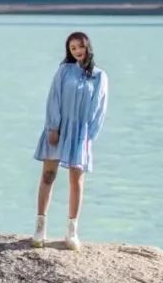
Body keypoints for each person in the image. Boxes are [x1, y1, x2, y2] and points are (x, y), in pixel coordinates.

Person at [31, 31, 108, 250]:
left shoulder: (100, 76)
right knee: (48, 175)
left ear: (88, 47)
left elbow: (99, 109)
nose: (77, 51)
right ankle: (40, 227)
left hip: (80, 134)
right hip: (59, 129)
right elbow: (53, 98)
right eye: (72, 48)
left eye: (80, 47)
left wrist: (89, 136)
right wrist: (53, 127)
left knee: (76, 179)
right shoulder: (64, 71)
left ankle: (72, 232)